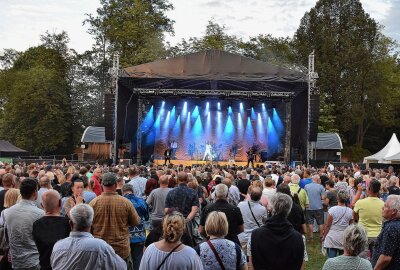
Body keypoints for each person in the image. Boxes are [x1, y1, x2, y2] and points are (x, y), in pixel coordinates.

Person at [51, 204, 126, 269]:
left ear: (70, 223)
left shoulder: (58, 246)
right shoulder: (101, 247)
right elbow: (121, 267)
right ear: (92, 222)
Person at [89, 172, 140, 268]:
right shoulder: (126, 202)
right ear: (116, 185)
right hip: (121, 251)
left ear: (102, 185)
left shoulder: (93, 203)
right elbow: (135, 222)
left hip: (100, 250)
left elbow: (88, 226)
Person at [248, 193, 304, 270]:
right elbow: (301, 265)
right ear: (289, 209)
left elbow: (251, 266)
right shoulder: (298, 237)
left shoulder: (255, 234)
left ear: (271, 208)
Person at [4, 178, 44, 270]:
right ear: (35, 192)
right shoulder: (40, 214)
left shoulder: (8, 212)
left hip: (16, 261)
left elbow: (7, 237)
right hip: (34, 261)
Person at [33, 190, 70, 270]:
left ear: (42, 205)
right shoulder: (67, 223)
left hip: (44, 265)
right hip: (63, 266)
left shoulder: (36, 224)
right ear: (60, 203)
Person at [165, 172, 199, 246]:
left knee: (173, 242)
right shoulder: (193, 192)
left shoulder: (171, 192)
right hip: (188, 223)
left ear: (177, 180)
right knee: (188, 244)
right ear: (187, 180)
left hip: (173, 222)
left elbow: (166, 210)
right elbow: (194, 210)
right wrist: (186, 221)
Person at [353, 179, 384, 258]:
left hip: (363, 233)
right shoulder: (383, 204)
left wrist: (359, 219)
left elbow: (354, 212)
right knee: (376, 259)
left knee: (362, 259)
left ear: (369, 189)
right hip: (377, 234)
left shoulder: (361, 202)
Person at [122, 184, 150, 270]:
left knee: (124, 262)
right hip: (139, 236)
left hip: (124, 236)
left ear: (123, 192)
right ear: (133, 191)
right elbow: (147, 218)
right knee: (138, 260)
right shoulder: (141, 201)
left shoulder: (120, 202)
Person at [371, 195, 400, 270]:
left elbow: (386, 257)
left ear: (393, 211)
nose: (382, 208)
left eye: (386, 206)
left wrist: (376, 269)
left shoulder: (391, 228)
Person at [323, 190, 354, 258]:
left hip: (332, 236)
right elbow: (350, 226)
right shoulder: (350, 211)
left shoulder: (332, 210)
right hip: (344, 236)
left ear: (337, 198)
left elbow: (328, 225)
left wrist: (324, 236)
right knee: (342, 258)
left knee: (331, 259)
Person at [238, 186, 268, 253]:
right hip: (256, 237)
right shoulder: (262, 209)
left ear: (250, 195)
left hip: (242, 236)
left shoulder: (240, 204)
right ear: (260, 197)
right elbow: (264, 222)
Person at [304, 174, 325, 241]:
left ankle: (311, 237)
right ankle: (321, 236)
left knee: (310, 223)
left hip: (309, 207)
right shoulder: (321, 187)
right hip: (318, 207)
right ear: (317, 179)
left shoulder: (306, 186)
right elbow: (323, 197)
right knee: (320, 222)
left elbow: (305, 196)